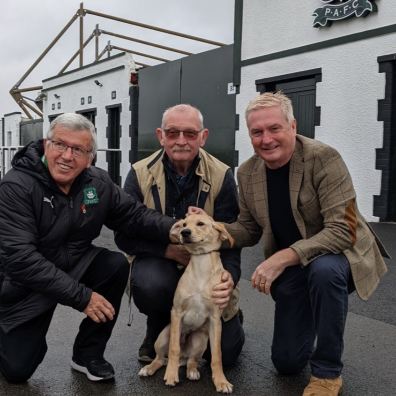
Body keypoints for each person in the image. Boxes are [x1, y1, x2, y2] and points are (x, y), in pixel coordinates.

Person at [191, 91, 389, 395]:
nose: (266, 139)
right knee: (286, 363)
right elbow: (248, 228)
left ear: (292, 126)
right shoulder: (247, 172)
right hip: (298, 268)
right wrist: (213, 228)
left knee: (324, 273)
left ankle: (327, 373)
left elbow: (344, 228)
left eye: (274, 129)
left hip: (340, 256)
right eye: (257, 132)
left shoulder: (324, 158)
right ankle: (310, 311)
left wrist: (282, 258)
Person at [0, 113, 176, 384]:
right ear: (47, 144)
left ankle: (88, 355)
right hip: (25, 283)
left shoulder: (98, 182)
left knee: (115, 265)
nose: (67, 156)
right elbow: (22, 259)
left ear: (90, 156)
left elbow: (134, 216)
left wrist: (175, 228)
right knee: (17, 370)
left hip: (74, 263)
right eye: (60, 144)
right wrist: (82, 297)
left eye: (78, 149)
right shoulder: (16, 186)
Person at [115, 104, 245, 366]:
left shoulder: (222, 175)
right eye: (173, 133)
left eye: (190, 133)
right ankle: (158, 324)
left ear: (203, 136)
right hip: (159, 262)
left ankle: (231, 316)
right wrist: (168, 250)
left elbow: (233, 238)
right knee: (151, 284)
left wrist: (229, 279)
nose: (181, 141)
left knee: (228, 356)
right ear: (161, 135)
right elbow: (123, 235)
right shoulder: (139, 173)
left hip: (206, 270)